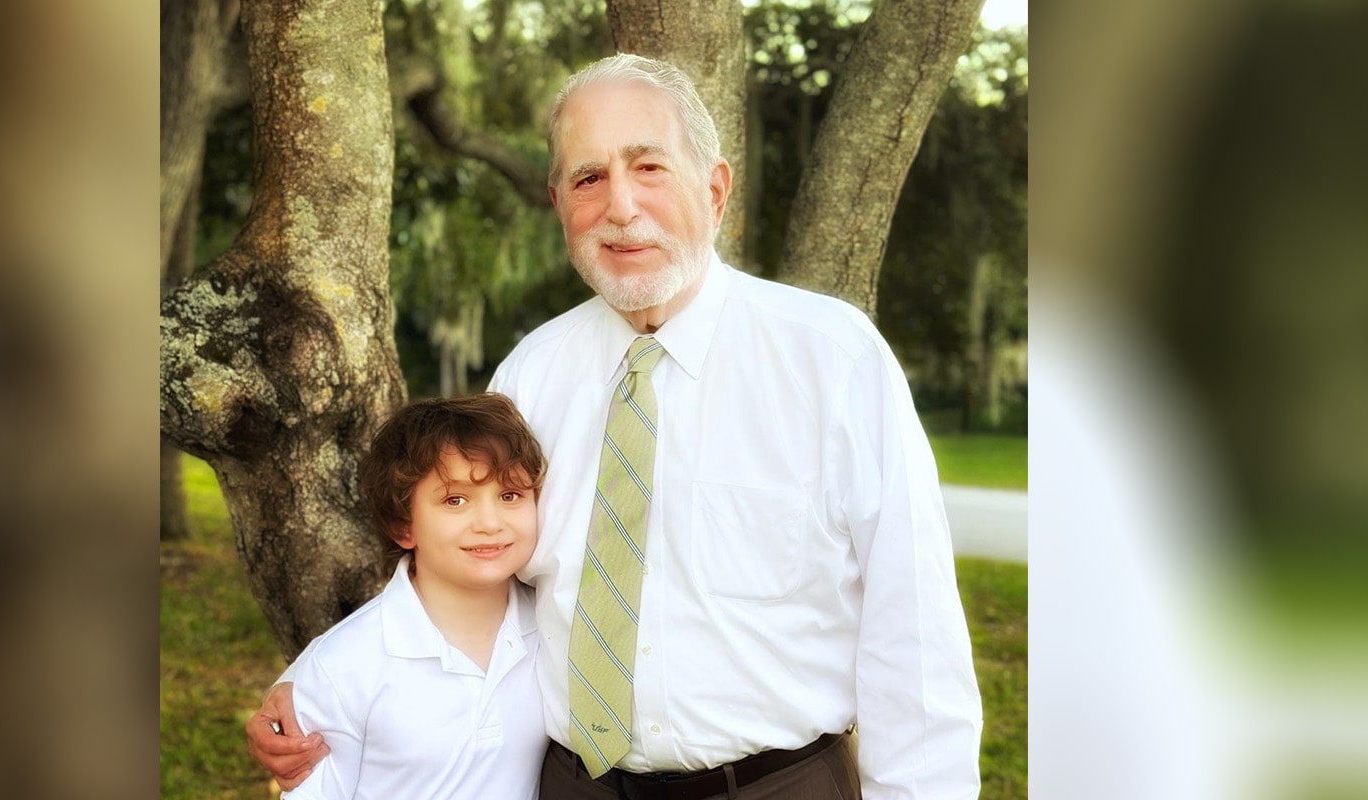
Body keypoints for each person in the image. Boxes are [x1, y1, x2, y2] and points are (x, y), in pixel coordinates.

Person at [249, 53, 981, 799]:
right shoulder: (530, 377)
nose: (621, 207)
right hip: (575, 787)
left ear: (715, 188)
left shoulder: (832, 359)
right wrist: (319, 689)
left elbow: (913, 631)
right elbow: (467, 570)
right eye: (588, 178)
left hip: (776, 784)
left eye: (649, 167)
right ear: (559, 201)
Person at [271, 393, 550, 800]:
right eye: (455, 500)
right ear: (404, 526)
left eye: (510, 496)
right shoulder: (343, 665)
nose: (490, 523)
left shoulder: (554, 627)